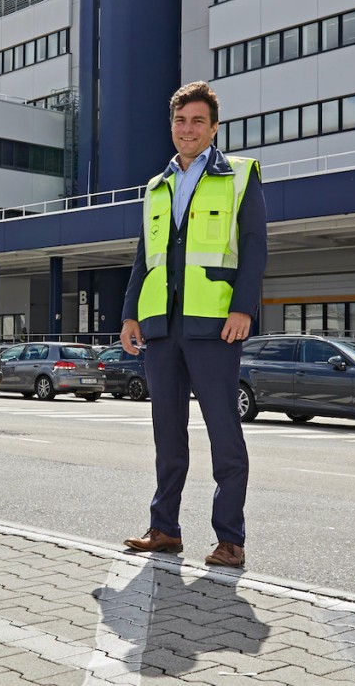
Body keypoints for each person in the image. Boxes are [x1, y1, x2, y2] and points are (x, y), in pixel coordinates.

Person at [120, 81, 267, 566]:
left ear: (214, 127)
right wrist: (129, 314)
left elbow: (255, 247)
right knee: (167, 432)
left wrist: (243, 308)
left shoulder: (240, 175)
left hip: (214, 324)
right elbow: (145, 258)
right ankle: (164, 528)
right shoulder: (156, 186)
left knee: (224, 433)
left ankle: (230, 538)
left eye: (198, 121)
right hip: (161, 326)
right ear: (172, 126)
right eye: (181, 121)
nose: (188, 129)